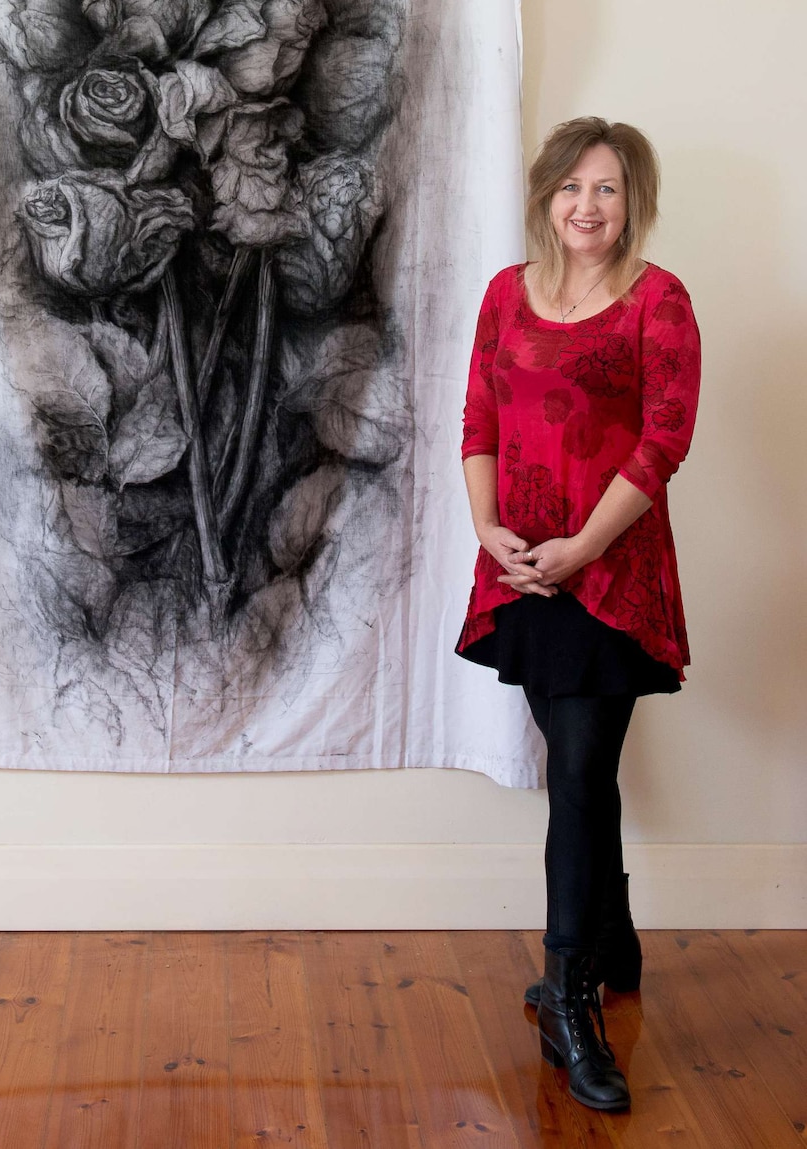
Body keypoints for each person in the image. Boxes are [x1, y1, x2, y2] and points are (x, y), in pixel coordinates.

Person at [456, 117, 701, 1111]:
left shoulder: (659, 302)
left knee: (579, 768)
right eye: (569, 187)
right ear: (544, 196)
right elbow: (476, 415)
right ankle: (613, 939)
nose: (585, 206)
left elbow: (662, 440)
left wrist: (583, 547)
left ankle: (569, 994)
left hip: (607, 572)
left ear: (631, 202)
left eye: (605, 189)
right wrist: (488, 530)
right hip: (522, 569)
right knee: (574, 767)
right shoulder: (504, 296)